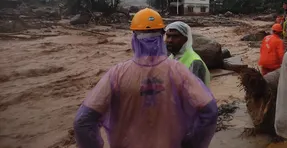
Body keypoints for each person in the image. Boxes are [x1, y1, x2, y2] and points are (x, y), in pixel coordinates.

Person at [74, 8, 217, 148]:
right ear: (162, 37)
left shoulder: (117, 74)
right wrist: (192, 143)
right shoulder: (178, 70)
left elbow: (83, 122)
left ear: (134, 37)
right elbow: (209, 111)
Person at [165, 21, 210, 86]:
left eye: (175, 36)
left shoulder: (195, 63)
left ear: (185, 39)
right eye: (168, 36)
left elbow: (197, 93)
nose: (170, 40)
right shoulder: (171, 58)